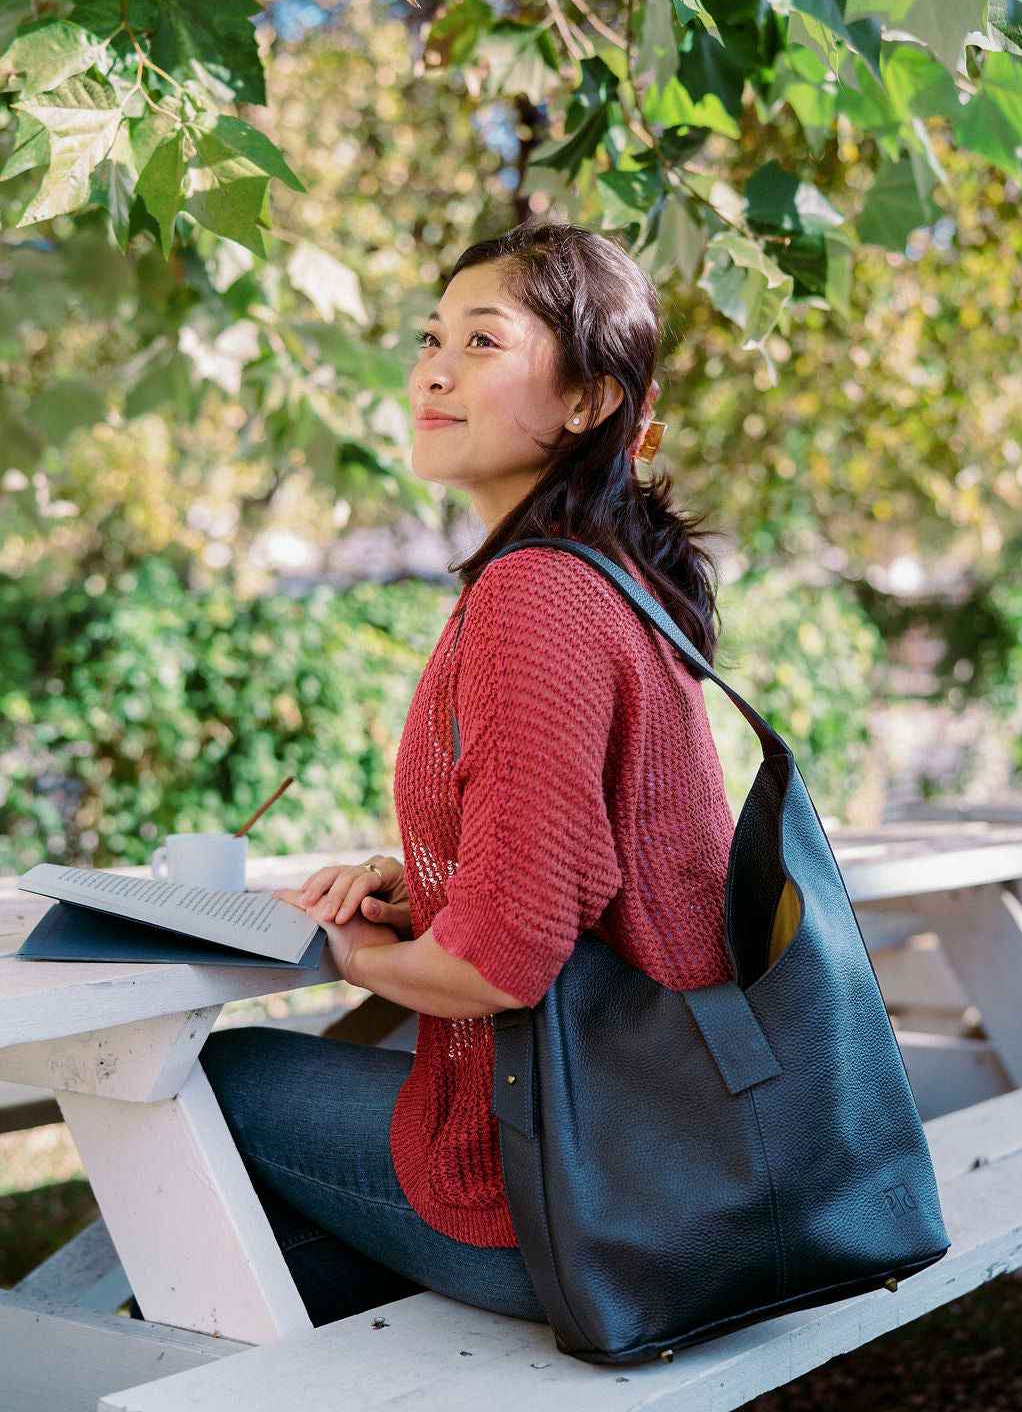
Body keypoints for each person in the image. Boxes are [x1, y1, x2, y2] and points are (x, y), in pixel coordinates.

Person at [200, 223, 736, 1327]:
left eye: (482, 342)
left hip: (575, 1207)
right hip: (678, 1169)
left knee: (221, 1079)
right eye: (430, 336)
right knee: (269, 1272)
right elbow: (579, 867)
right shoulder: (610, 580)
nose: (432, 369)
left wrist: (349, 946)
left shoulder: (533, 597)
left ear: (588, 402)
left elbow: (500, 966)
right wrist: (427, 882)